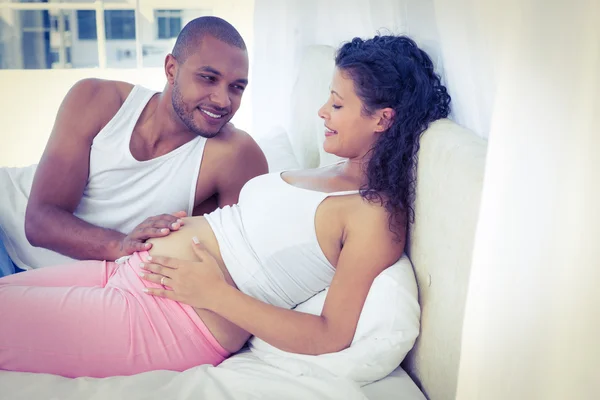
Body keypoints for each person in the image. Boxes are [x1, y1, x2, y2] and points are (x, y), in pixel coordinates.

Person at [0, 35, 451, 378]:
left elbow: (331, 335)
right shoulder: (327, 172)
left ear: (381, 118)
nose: (322, 113)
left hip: (176, 319)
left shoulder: (374, 216)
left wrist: (214, 294)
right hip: (133, 271)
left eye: (337, 103)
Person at [0, 16, 267, 277]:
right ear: (171, 69)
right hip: (5, 227)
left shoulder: (236, 156)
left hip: (50, 280)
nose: (223, 100)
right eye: (208, 78)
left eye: (236, 87)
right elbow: (40, 221)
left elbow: (239, 264)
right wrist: (122, 244)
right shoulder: (97, 99)